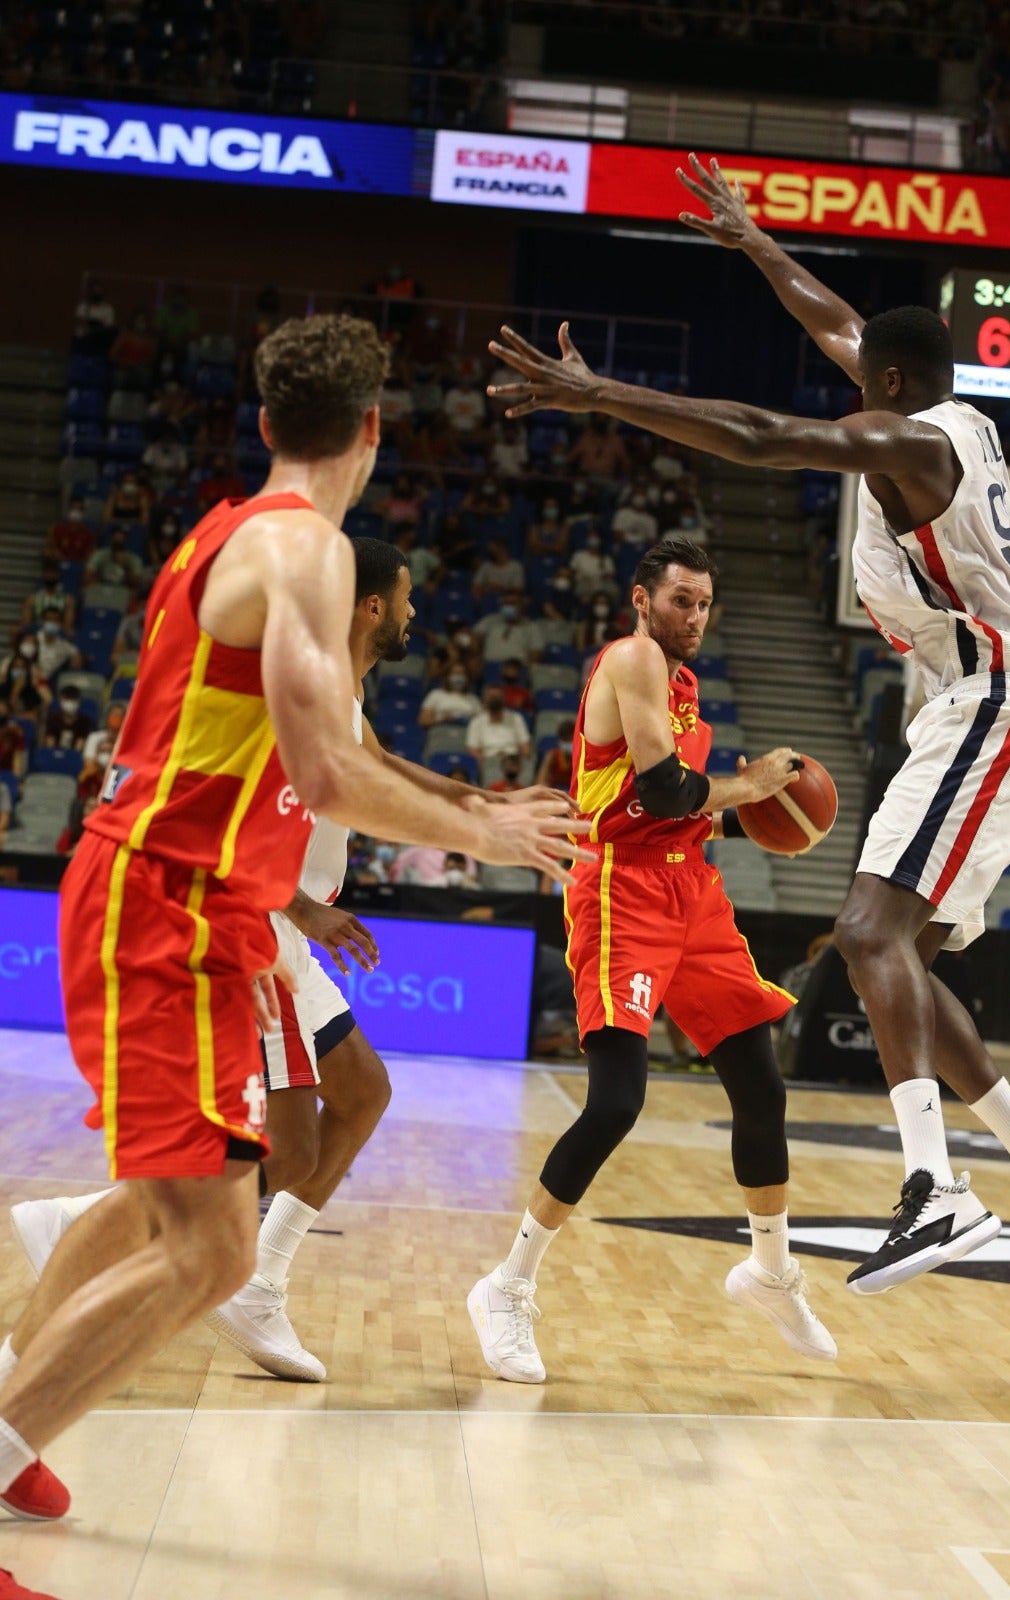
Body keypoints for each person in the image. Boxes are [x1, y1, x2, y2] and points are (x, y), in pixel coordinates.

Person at [0, 313, 590, 1557]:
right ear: (371, 433)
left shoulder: (231, 532)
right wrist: (482, 841)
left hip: (206, 905)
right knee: (213, 1248)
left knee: (178, 1196)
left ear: (269, 423)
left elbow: (322, 742)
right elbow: (324, 772)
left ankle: (16, 1420)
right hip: (163, 894)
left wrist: (467, 800)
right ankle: (5, 1441)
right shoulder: (308, 550)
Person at [484, 153, 1010, 1301]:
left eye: (856, 378)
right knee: (905, 963)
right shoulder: (938, 414)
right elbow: (837, 326)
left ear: (884, 386)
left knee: (867, 933)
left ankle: (934, 1191)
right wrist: (753, 242)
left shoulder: (911, 443)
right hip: (996, 705)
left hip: (999, 701)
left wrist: (603, 395)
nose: (845, 384)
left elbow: (762, 433)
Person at [468, 536, 837, 1384]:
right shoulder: (632, 658)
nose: (695, 616)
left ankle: (771, 1271)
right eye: (681, 600)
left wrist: (741, 815)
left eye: (705, 603)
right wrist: (752, 790)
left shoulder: (682, 682)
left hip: (689, 890)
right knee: (616, 1103)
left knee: (761, 1082)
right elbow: (665, 789)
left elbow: (685, 811)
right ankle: (506, 1286)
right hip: (619, 893)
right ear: (641, 599)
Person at [466, 687, 531, 768]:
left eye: (497, 697)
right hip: (488, 762)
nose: (495, 700)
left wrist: (518, 761)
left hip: (513, 761)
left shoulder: (515, 718)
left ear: (503, 698)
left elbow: (525, 748)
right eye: (492, 697)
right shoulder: (476, 721)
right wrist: (487, 762)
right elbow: (473, 750)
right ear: (484, 699)